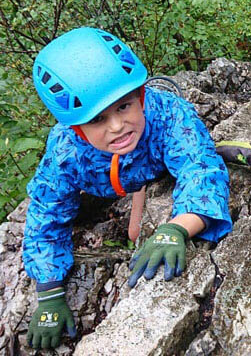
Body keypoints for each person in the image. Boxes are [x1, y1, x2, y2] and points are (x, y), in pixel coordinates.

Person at [23, 27, 232, 349]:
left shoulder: (169, 115)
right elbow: (46, 215)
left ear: (142, 97)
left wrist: (177, 228)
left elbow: (200, 169)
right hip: (109, 183)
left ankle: (141, 200)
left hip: (157, 167)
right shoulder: (67, 153)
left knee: (138, 233)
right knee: (134, 231)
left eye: (124, 106)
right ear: (75, 127)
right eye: (97, 120)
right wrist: (49, 293)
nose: (117, 125)